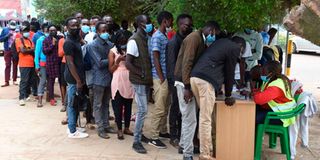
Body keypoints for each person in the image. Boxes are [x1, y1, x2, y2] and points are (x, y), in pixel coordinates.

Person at [190, 36, 246, 160]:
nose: (240, 54)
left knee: (206, 116)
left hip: (195, 78)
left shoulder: (221, 43)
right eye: (242, 51)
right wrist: (228, 95)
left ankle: (209, 149)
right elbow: (229, 72)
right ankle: (205, 154)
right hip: (205, 82)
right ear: (240, 46)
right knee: (206, 119)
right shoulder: (234, 48)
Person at [174, 21, 221, 160]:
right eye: (214, 34)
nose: (214, 37)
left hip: (187, 81)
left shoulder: (200, 38)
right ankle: (187, 154)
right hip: (184, 83)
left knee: (189, 118)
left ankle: (184, 145)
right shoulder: (194, 38)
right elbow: (187, 63)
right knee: (190, 120)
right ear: (211, 30)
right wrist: (187, 87)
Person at [126, 14, 153, 154]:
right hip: (139, 81)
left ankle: (139, 135)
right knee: (142, 111)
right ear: (139, 24)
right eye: (146, 22)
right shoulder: (134, 41)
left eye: (150, 22)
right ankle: (136, 141)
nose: (149, 25)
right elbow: (128, 63)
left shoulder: (146, 39)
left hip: (146, 80)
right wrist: (141, 73)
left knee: (142, 110)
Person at [166, 13, 193, 148]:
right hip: (176, 81)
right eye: (185, 25)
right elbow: (171, 65)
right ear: (179, 25)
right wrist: (174, 83)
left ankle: (183, 134)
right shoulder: (174, 42)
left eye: (190, 25)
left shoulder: (188, 40)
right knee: (175, 108)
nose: (188, 28)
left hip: (185, 80)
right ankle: (173, 136)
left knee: (184, 111)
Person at [148, 11, 174, 149]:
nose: (172, 24)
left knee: (165, 106)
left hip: (165, 77)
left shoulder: (164, 35)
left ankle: (163, 131)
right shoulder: (157, 36)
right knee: (159, 108)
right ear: (165, 21)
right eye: (171, 21)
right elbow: (155, 57)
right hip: (160, 78)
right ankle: (153, 136)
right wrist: (162, 77)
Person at [87, 21, 114, 139]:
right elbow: (99, 63)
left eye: (107, 31)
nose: (105, 33)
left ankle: (106, 124)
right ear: (97, 32)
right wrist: (113, 60)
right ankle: (100, 127)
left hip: (109, 77)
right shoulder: (92, 45)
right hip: (98, 78)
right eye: (103, 31)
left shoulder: (110, 44)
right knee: (98, 104)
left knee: (106, 103)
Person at [63, 17, 89, 138]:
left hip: (79, 75)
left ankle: (73, 126)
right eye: (72, 26)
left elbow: (82, 42)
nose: (75, 27)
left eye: (76, 25)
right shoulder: (68, 43)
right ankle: (72, 131)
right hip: (73, 77)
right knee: (72, 104)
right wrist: (78, 80)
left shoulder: (76, 38)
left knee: (77, 102)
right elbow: (70, 63)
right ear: (67, 28)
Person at [252, 61, 296, 126]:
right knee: (252, 111)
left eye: (264, 72)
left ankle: (252, 135)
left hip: (282, 116)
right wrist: (254, 92)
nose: (262, 74)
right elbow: (261, 91)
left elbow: (258, 99)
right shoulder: (271, 80)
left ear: (271, 73)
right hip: (277, 111)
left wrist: (254, 94)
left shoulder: (276, 85)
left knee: (252, 117)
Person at [108, 31, 134, 140]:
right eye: (121, 41)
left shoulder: (130, 50)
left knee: (128, 105)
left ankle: (127, 128)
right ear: (117, 41)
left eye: (125, 41)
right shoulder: (112, 51)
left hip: (129, 79)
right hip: (118, 78)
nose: (123, 43)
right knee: (118, 106)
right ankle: (119, 129)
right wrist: (118, 61)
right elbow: (111, 70)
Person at [16, 22, 37, 106]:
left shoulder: (29, 40)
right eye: (24, 31)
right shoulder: (18, 40)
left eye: (27, 30)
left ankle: (27, 95)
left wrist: (28, 49)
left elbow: (33, 49)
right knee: (24, 81)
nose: (26, 32)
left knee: (31, 80)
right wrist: (31, 50)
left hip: (31, 63)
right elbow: (23, 51)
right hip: (24, 64)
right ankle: (21, 97)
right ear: (21, 32)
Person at [42, 25, 62, 106]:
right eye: (50, 30)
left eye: (54, 30)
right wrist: (52, 45)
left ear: (56, 30)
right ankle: (51, 98)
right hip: (50, 63)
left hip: (60, 63)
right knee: (51, 82)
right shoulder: (46, 40)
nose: (52, 32)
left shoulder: (60, 38)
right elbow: (45, 51)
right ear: (48, 31)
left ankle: (64, 98)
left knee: (62, 81)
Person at [0, 20, 19, 87]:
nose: (12, 29)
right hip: (7, 49)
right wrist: (7, 36)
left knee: (15, 65)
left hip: (15, 50)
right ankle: (6, 81)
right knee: (7, 65)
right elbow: (0, 39)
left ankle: (14, 80)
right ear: (9, 25)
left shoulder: (17, 30)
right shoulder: (5, 30)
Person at [34, 23, 49, 107]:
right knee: (42, 81)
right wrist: (37, 65)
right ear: (43, 31)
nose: (48, 32)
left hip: (51, 63)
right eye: (46, 31)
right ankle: (39, 100)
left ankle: (50, 98)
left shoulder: (53, 39)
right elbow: (37, 54)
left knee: (50, 81)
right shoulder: (40, 40)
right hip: (43, 63)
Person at [58, 26, 68, 111]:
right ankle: (64, 103)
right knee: (63, 83)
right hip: (64, 63)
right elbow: (60, 54)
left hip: (75, 63)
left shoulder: (78, 39)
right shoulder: (61, 40)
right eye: (65, 30)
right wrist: (67, 46)